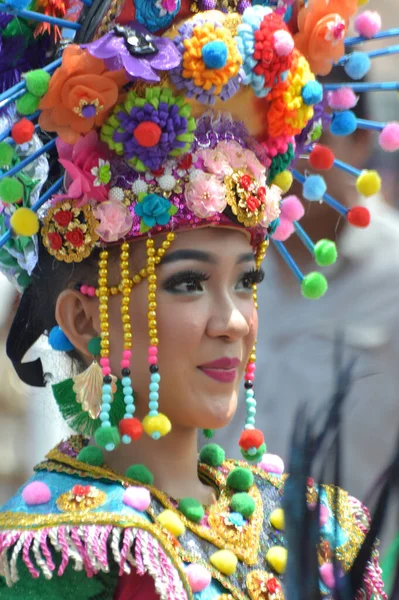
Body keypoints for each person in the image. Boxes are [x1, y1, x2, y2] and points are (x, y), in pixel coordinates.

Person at [0, 0, 397, 598]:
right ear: (83, 319)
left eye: (247, 281)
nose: (234, 320)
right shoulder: (67, 553)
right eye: (187, 282)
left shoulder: (317, 528)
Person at [215, 68, 399, 549]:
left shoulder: (394, 271)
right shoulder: (220, 263)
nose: (292, 159)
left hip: (350, 569)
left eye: (313, 135)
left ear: (361, 146)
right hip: (216, 562)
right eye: (277, 135)